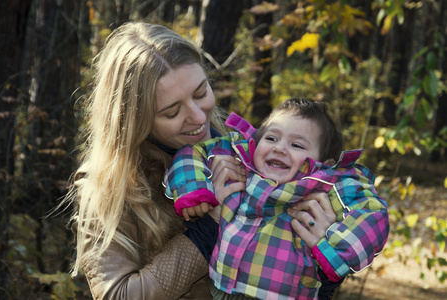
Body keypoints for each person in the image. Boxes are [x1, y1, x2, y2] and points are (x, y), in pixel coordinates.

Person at [61, 22, 339, 299]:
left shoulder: (244, 153)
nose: (197, 117)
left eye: (201, 93)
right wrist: (208, 229)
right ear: (135, 121)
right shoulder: (109, 187)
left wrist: (325, 267)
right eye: (172, 112)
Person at [164, 98, 389, 299]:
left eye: (297, 145)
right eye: (271, 138)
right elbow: (193, 152)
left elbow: (373, 215)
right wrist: (194, 190)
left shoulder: (332, 186)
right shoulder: (238, 160)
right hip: (220, 289)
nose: (279, 148)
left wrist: (335, 251)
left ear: (325, 164)